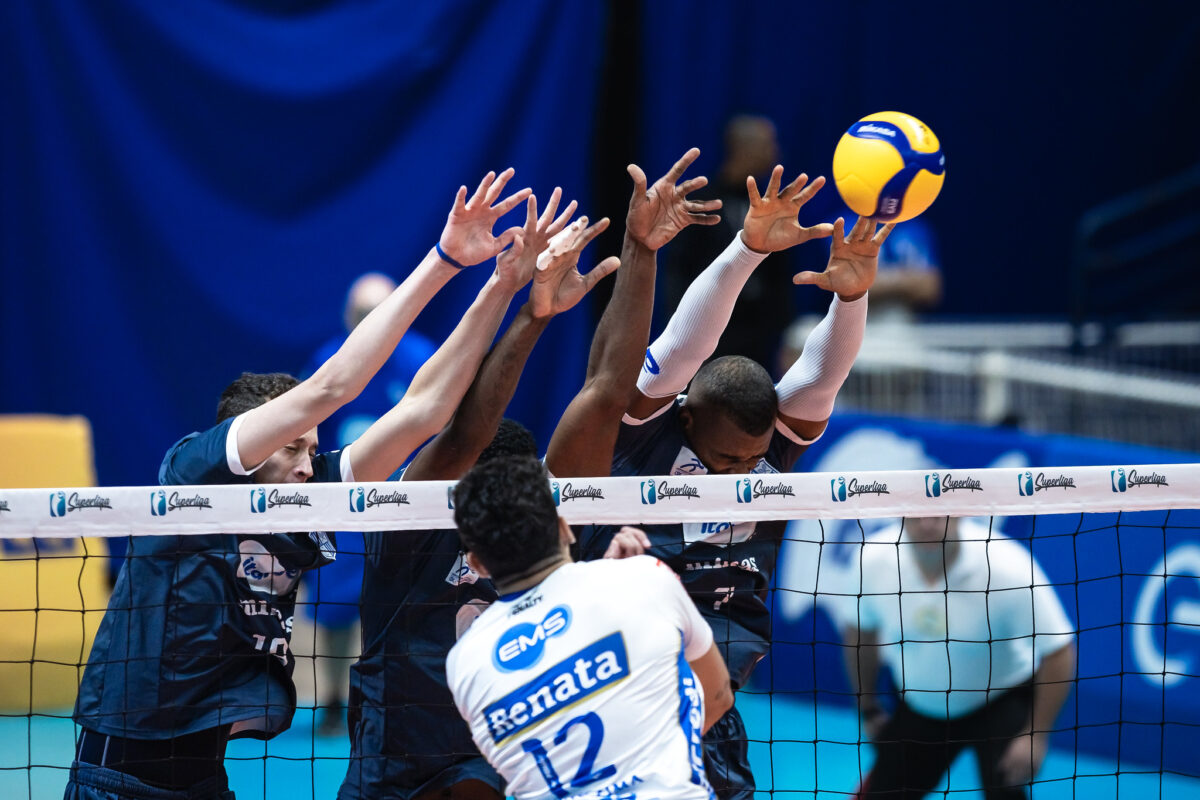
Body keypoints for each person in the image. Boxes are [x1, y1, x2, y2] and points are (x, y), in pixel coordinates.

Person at [66, 169, 535, 800]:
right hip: (119, 779)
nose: (309, 462)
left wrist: (503, 287)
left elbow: (424, 411)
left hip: (204, 777)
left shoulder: (304, 498)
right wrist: (446, 260)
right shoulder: (195, 475)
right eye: (293, 446)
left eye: (314, 449)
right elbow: (329, 390)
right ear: (249, 441)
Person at [340, 149, 721, 800]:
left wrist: (576, 287)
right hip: (405, 777)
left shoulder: (530, 523)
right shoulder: (420, 527)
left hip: (490, 772)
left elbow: (599, 395)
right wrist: (637, 252)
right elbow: (492, 428)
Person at [578, 164, 894, 800]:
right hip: (621, 646)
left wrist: (851, 298)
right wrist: (747, 249)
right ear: (686, 416)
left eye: (750, 463)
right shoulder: (648, 423)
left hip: (719, 648)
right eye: (723, 460)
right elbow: (684, 349)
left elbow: (820, 378)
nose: (737, 474)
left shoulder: (771, 441)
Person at [446, 455, 735, 800]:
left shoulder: (462, 661)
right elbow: (716, 698)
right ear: (564, 527)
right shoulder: (644, 578)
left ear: (477, 563)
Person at [843, 516, 1076, 799]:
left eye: (939, 515)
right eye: (916, 517)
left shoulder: (1007, 567)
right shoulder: (873, 559)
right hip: (921, 703)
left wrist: (1035, 736)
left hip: (999, 700)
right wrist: (867, 706)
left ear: (961, 514)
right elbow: (860, 635)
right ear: (901, 516)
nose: (927, 524)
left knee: (1007, 790)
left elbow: (1058, 651)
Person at [300, 273, 438, 736]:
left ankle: (394, 699)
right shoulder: (329, 361)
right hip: (341, 508)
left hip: (404, 507)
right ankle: (335, 701)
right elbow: (307, 435)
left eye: (377, 312)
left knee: (404, 610)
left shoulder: (422, 359)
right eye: (361, 315)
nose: (369, 322)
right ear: (347, 316)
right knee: (335, 610)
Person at [664, 115, 794, 369]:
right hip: (705, 329)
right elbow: (679, 270)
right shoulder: (702, 202)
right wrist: (678, 326)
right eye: (768, 144)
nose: (776, 152)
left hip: (757, 335)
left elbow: (780, 276)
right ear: (744, 148)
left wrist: (782, 331)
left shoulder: (772, 206)